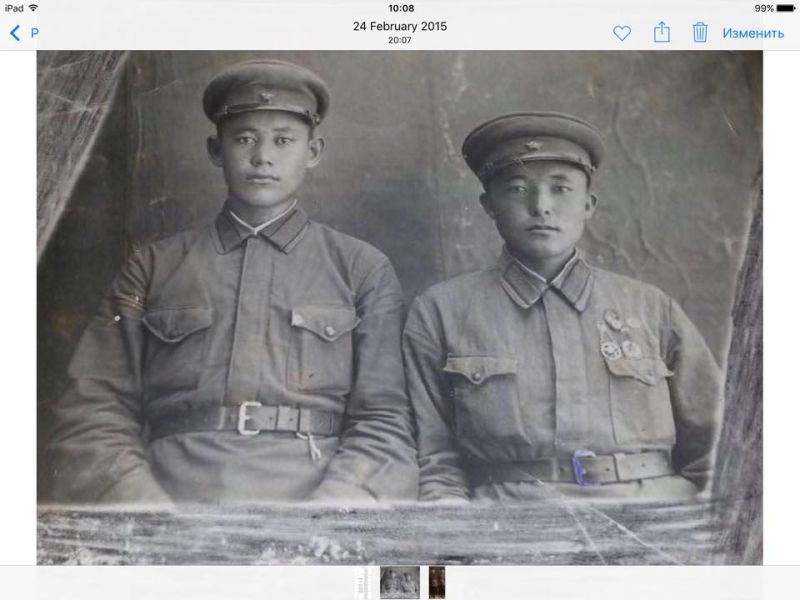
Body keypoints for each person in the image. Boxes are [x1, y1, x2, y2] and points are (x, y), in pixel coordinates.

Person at [46, 59, 418, 505]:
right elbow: (93, 409)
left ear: (314, 152)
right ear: (215, 150)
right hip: (172, 503)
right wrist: (146, 509)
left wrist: (328, 515)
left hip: (315, 508)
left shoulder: (360, 268)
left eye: (283, 140)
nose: (263, 157)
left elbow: (384, 421)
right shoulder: (153, 267)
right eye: (244, 139)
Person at [402, 111, 723, 502]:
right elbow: (436, 462)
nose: (541, 206)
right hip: (512, 519)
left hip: (653, 510)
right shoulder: (441, 311)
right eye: (517, 189)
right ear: (489, 205)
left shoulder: (653, 308)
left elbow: (720, 448)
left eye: (560, 188)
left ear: (588, 204)